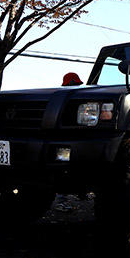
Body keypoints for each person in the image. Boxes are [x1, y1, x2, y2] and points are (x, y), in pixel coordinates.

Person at [54, 72, 84, 212]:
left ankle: (80, 193)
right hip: (65, 141)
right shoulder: (67, 98)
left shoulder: (65, 97)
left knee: (71, 169)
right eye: (75, 83)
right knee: (64, 171)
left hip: (71, 140)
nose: (77, 86)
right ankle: (61, 200)